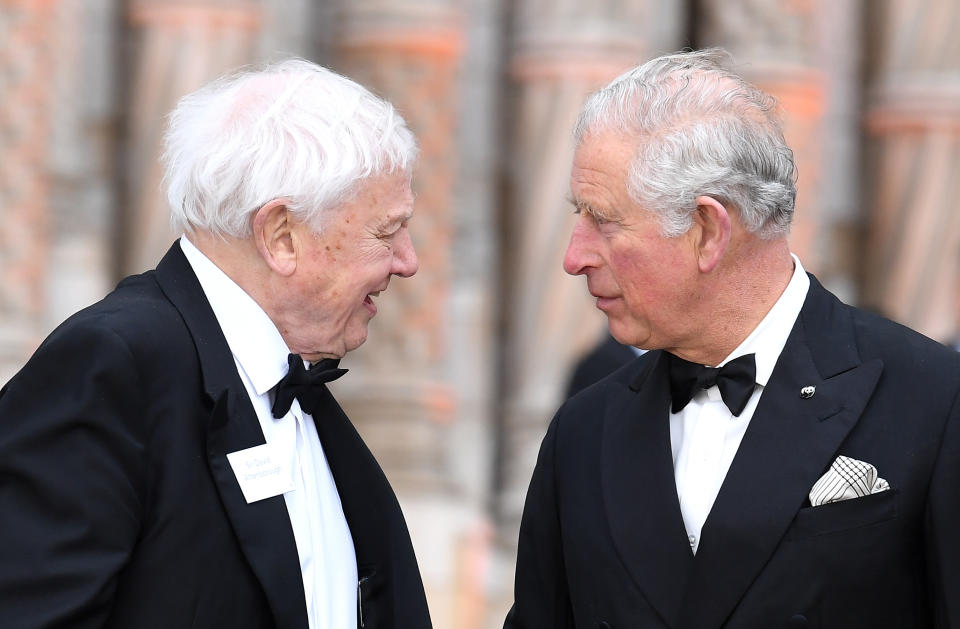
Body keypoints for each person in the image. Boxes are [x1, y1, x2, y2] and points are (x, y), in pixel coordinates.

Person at [505, 48, 960, 628]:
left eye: (604, 221)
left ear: (707, 230)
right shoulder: (584, 430)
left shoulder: (935, 401)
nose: (573, 257)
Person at [0, 59, 432, 629]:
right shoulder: (111, 366)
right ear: (281, 236)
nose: (408, 262)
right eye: (386, 231)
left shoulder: (297, 382)